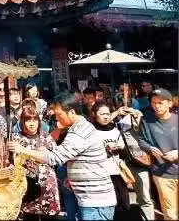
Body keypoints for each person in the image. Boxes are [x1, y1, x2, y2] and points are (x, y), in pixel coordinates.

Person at [9, 93, 116, 221]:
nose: (56, 118)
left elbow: (55, 158)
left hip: (95, 201)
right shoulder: (78, 128)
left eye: (59, 114)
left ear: (71, 112)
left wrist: (23, 150)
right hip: (88, 198)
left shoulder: (79, 132)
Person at [12, 106, 60, 220]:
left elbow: (56, 157)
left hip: (46, 184)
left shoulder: (46, 137)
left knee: (48, 216)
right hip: (26, 184)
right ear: (22, 122)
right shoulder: (16, 138)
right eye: (28, 120)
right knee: (28, 215)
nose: (32, 124)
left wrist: (45, 153)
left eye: (34, 120)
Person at [137, 88, 179, 221]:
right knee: (170, 214)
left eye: (160, 103)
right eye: (153, 102)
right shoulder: (146, 120)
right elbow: (141, 140)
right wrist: (149, 148)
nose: (156, 106)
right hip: (162, 173)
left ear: (170, 103)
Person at [91, 101, 130, 220]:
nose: (106, 117)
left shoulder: (115, 131)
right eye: (102, 114)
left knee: (122, 205)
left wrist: (120, 149)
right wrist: (104, 149)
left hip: (116, 174)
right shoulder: (90, 132)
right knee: (103, 207)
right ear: (94, 114)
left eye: (108, 114)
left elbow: (124, 154)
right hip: (99, 176)